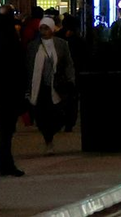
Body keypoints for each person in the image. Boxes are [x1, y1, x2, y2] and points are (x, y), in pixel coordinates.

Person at [26, 16, 74, 153]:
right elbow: (28, 66)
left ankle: (51, 134)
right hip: (40, 87)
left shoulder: (61, 44)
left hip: (56, 85)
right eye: (41, 28)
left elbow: (68, 64)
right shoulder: (33, 46)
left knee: (57, 114)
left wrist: (70, 79)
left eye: (46, 28)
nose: (43, 31)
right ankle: (48, 139)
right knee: (42, 115)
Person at [0, 11, 25, 176]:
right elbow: (19, 71)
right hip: (9, 96)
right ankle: (6, 164)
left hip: (7, 94)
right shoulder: (13, 44)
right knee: (6, 133)